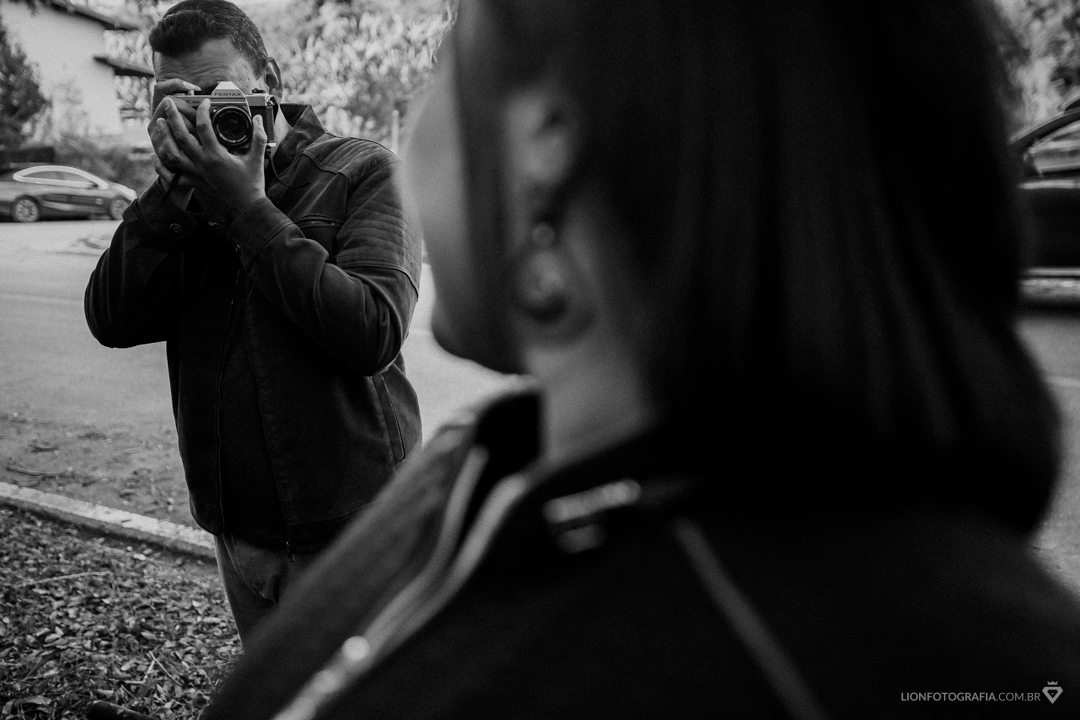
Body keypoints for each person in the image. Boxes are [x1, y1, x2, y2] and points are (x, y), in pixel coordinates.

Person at [203, 0, 1080, 716]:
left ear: (547, 149)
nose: (416, 131)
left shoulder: (930, 657)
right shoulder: (488, 464)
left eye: (441, 70)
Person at [84, 0, 423, 647]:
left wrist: (246, 207)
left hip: (354, 531)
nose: (202, 115)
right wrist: (169, 194)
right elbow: (110, 317)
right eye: (176, 99)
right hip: (238, 536)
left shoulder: (361, 171)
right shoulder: (183, 199)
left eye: (216, 93)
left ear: (266, 80)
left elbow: (374, 330)